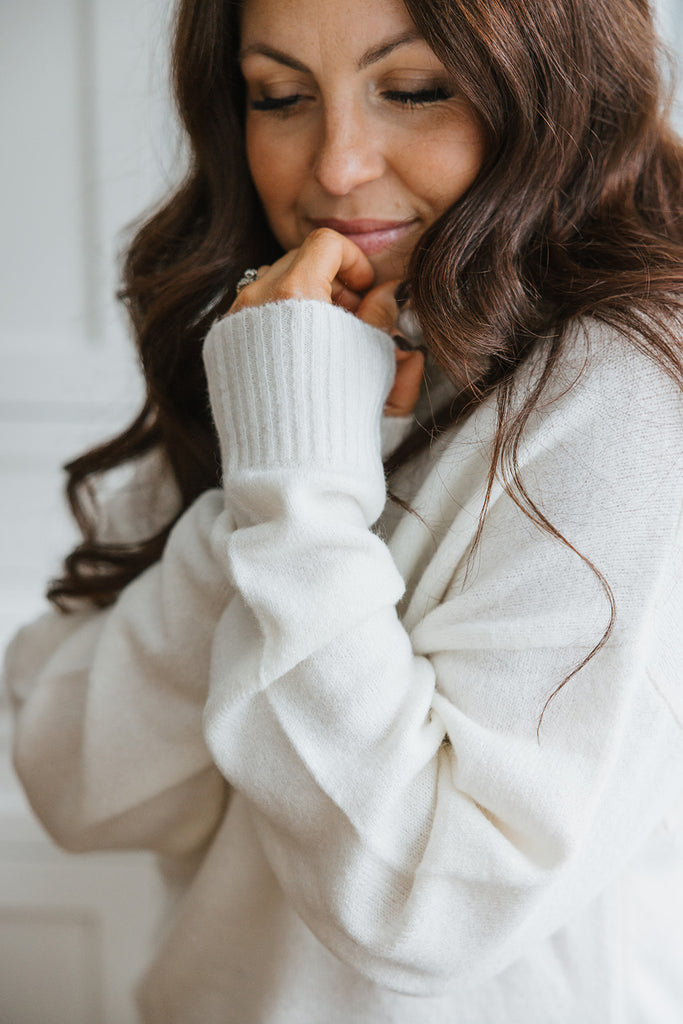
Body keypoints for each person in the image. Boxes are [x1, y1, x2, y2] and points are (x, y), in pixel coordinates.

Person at [4, 0, 683, 1020]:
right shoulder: (283, 332)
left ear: (556, 83)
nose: (334, 166)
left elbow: (428, 911)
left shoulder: (629, 386)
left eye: (413, 90)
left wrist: (292, 497)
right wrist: (277, 465)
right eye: (279, 96)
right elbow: (79, 787)